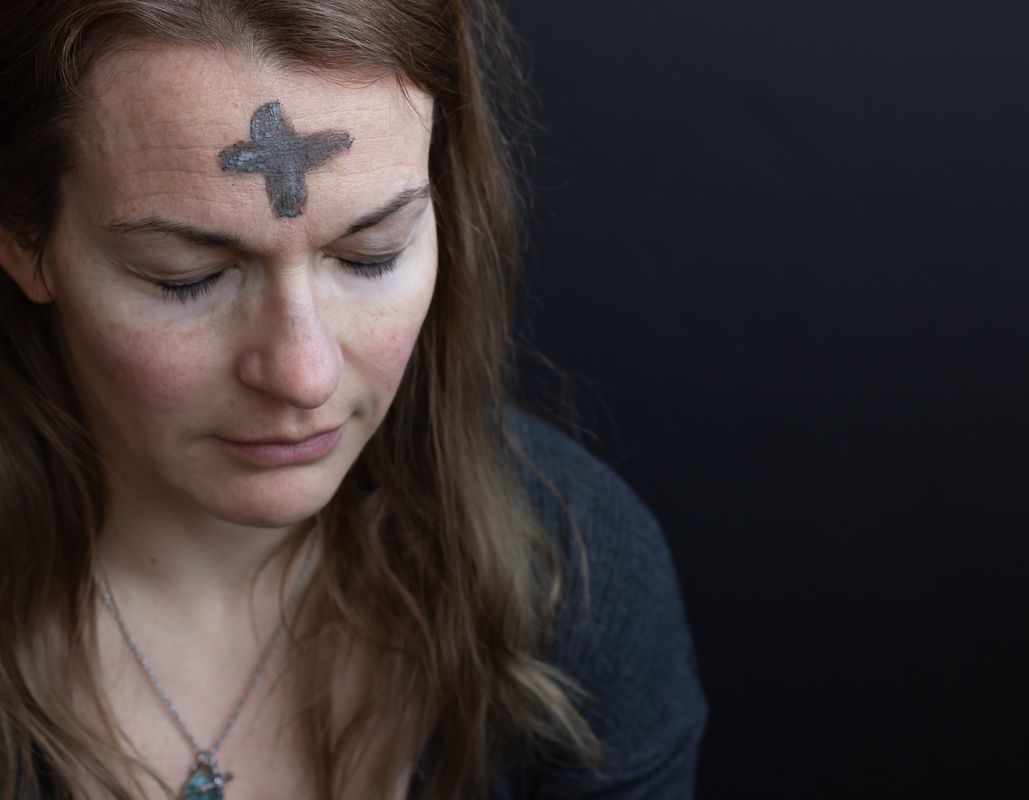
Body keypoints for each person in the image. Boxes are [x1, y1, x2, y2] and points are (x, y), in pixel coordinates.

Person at [0, 1, 706, 798]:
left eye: (371, 255)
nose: (305, 375)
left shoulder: (578, 583)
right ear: (24, 236)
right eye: (185, 277)